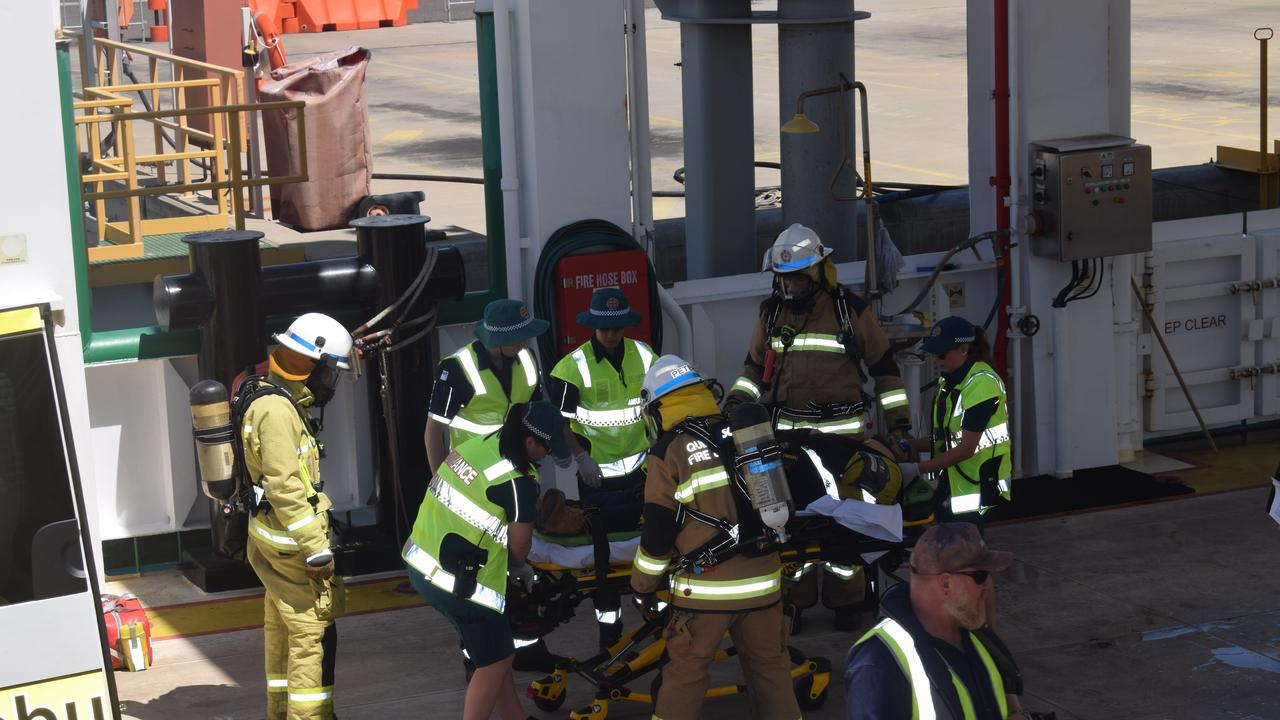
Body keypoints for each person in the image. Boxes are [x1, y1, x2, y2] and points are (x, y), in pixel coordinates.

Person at [726, 223, 913, 631]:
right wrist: (736, 405)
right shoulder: (770, 314)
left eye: (798, 276)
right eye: (784, 277)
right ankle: (795, 601)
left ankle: (847, 599)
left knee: (846, 523)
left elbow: (884, 369)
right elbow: (753, 368)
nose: (790, 285)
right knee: (789, 524)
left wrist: (899, 427)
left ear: (819, 272)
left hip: (842, 439)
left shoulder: (850, 310)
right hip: (786, 442)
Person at [630, 355, 801, 720]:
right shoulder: (744, 433)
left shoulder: (668, 451)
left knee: (686, 675)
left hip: (705, 594)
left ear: (658, 407)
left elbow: (658, 531)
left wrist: (643, 586)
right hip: (765, 584)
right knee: (771, 669)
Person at [402, 401, 571, 720]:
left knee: (496, 654)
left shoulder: (478, 446)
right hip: (456, 583)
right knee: (494, 662)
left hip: (421, 563)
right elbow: (520, 544)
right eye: (546, 449)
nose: (546, 457)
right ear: (530, 441)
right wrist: (520, 567)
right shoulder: (518, 483)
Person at [242, 312, 351, 720]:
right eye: (330, 372)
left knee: (281, 630)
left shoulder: (273, 397)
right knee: (310, 635)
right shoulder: (276, 410)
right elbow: (284, 486)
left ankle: (279, 713)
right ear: (314, 364)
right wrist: (317, 548)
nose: (330, 382)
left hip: (273, 541)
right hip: (293, 548)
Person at [547, 286, 656, 649]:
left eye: (617, 326)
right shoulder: (571, 368)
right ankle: (609, 631)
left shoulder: (644, 355)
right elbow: (560, 423)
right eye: (604, 327)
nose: (611, 334)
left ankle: (653, 608)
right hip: (597, 478)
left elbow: (659, 406)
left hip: (641, 474)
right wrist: (580, 457)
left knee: (649, 543)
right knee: (604, 556)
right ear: (592, 326)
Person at [845, 523, 1026, 720]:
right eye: (980, 576)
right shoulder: (879, 662)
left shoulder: (976, 633)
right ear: (946, 583)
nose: (987, 586)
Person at [899, 316, 1012, 524]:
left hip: (976, 484)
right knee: (954, 545)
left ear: (963, 349)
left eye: (942, 355)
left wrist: (917, 469)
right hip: (955, 480)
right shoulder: (950, 381)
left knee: (964, 548)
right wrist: (911, 445)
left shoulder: (982, 384)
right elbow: (946, 437)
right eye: (934, 355)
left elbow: (966, 448)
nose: (936, 361)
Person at [425, 298, 551, 475]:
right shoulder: (456, 368)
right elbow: (433, 431)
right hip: (471, 474)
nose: (524, 344)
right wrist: (439, 482)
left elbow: (537, 413)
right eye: (518, 339)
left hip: (517, 470)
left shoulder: (527, 357)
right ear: (498, 339)